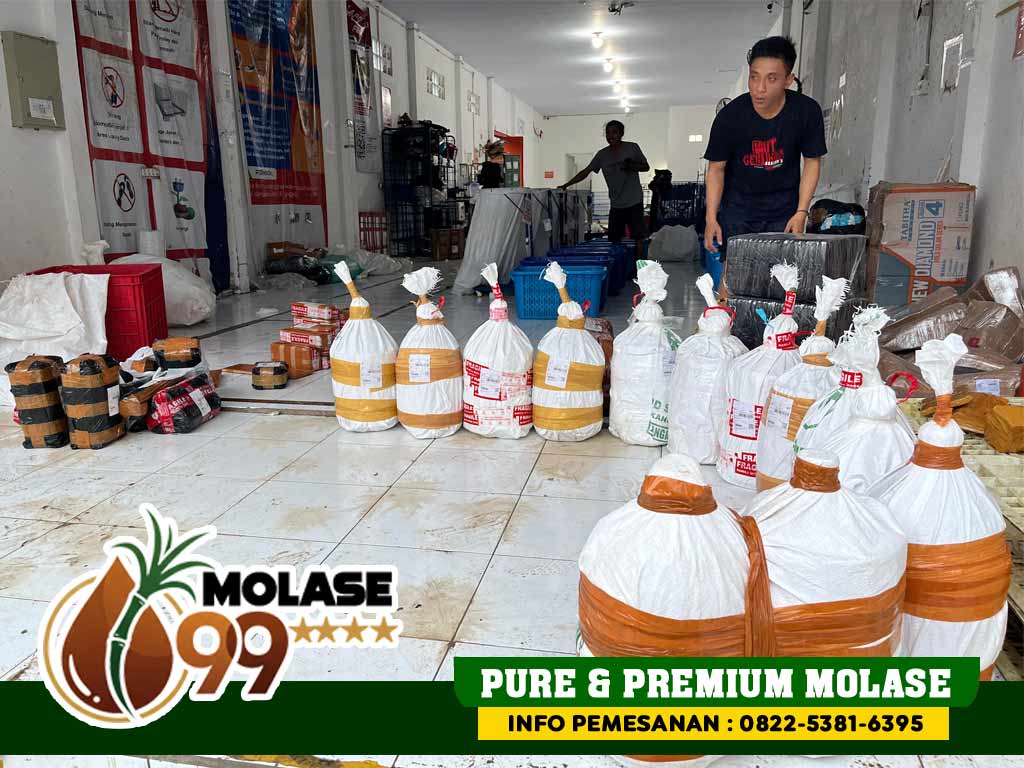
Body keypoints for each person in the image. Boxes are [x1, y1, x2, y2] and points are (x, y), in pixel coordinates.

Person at [703, 35, 827, 280]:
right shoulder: (730, 117)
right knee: (734, 274)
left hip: (784, 208)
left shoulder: (805, 112)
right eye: (754, 77)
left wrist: (801, 211)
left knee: (781, 276)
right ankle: (725, 307)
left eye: (771, 79)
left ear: (788, 80)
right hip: (739, 206)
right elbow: (716, 169)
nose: (759, 88)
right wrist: (710, 218)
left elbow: (812, 162)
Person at [560, 120, 650, 263]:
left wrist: (631, 165)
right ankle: (619, 268)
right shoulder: (602, 155)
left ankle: (640, 269)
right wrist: (566, 184)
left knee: (638, 238)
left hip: (634, 201)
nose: (610, 136)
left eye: (614, 132)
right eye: (608, 133)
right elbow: (586, 172)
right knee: (615, 239)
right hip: (616, 203)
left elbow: (646, 167)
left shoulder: (632, 148)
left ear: (621, 133)